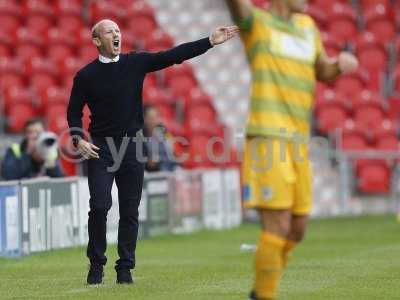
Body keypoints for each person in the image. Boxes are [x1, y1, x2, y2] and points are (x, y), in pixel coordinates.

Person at [67, 19, 239, 285]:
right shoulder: (85, 76)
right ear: (96, 40)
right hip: (102, 148)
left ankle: (125, 268)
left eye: (118, 31)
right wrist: (78, 139)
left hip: (133, 147)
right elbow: (73, 112)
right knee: (99, 206)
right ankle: (96, 263)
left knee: (130, 210)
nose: (116, 34)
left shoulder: (135, 63)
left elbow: (172, 56)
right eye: (109, 31)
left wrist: (208, 42)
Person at [225, 1, 359, 299]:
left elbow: (321, 68)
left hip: (299, 141)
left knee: (297, 229)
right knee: (278, 224)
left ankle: (260, 292)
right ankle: (265, 295)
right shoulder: (258, 22)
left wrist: (338, 65)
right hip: (267, 137)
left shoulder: (308, 27)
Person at [143, 104, 179, 172]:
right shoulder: (140, 138)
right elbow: (149, 164)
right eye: (151, 118)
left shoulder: (163, 132)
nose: (154, 121)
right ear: (144, 119)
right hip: (154, 174)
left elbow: (173, 152)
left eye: (156, 117)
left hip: (170, 169)